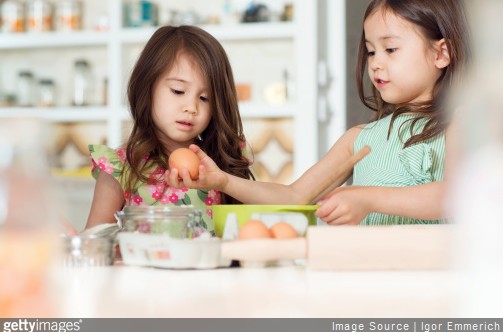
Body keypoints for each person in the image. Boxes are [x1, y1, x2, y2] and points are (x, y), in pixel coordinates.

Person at [165, 0, 471, 226]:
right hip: (368, 278)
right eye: (371, 50)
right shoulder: (360, 139)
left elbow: (455, 195)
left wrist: (367, 197)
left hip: (433, 282)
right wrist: (223, 182)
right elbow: (294, 197)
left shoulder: (459, 122)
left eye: (390, 49)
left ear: (441, 53)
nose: (375, 63)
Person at [86, 25, 254, 233]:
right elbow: (96, 242)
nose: (191, 107)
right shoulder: (121, 167)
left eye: (205, 98)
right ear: (147, 87)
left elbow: (260, 220)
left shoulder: (220, 163)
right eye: (178, 90)